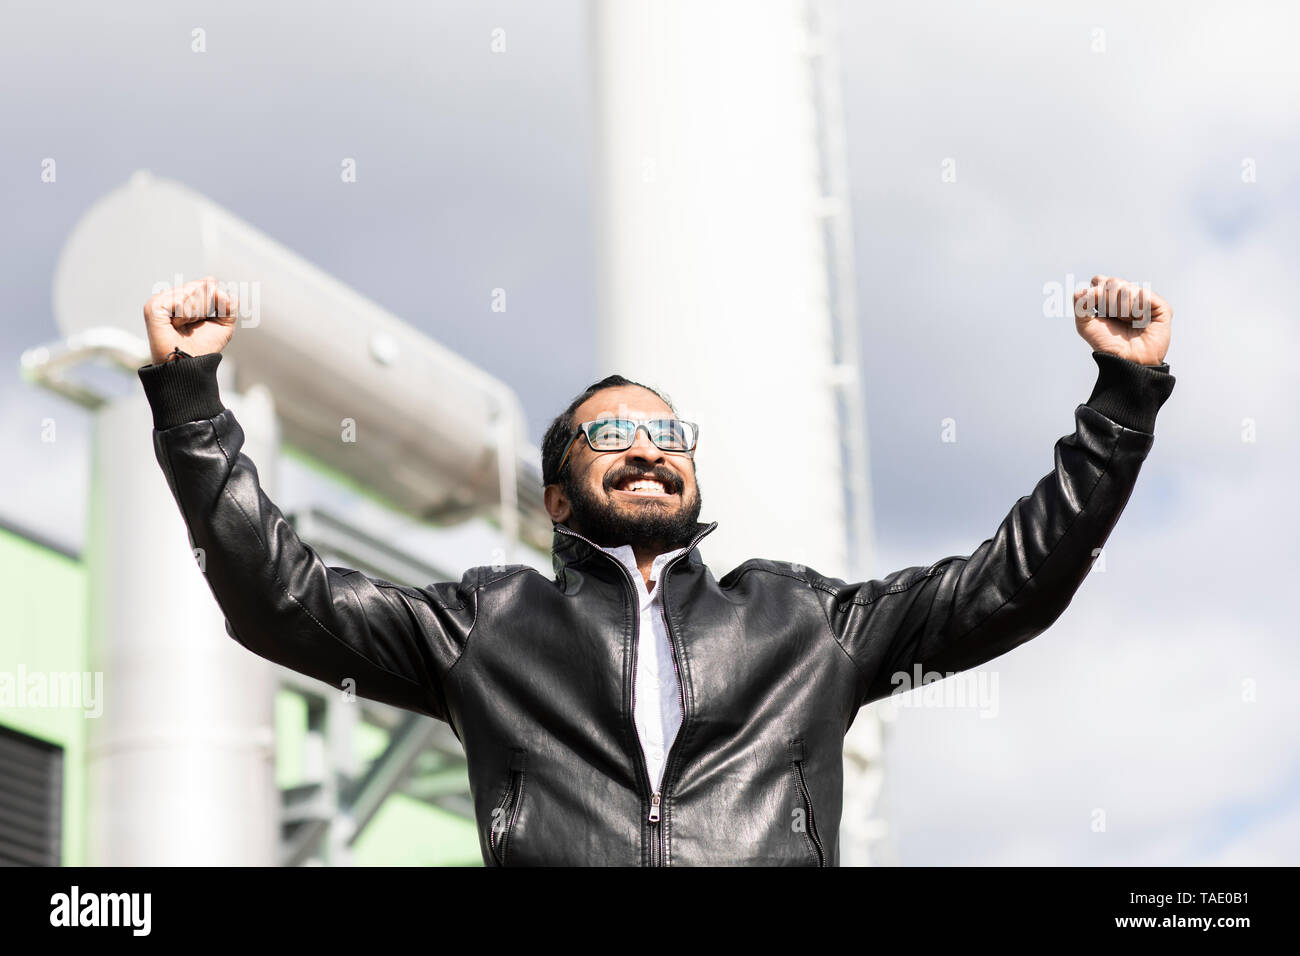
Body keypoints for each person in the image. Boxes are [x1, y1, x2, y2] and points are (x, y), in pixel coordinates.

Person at [137, 274, 1175, 866]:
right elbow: (282, 598)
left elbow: (1012, 583)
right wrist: (190, 401)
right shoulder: (486, 624)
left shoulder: (805, 620)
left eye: (665, 430)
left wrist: (1120, 402)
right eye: (612, 434)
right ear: (557, 496)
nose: (645, 446)